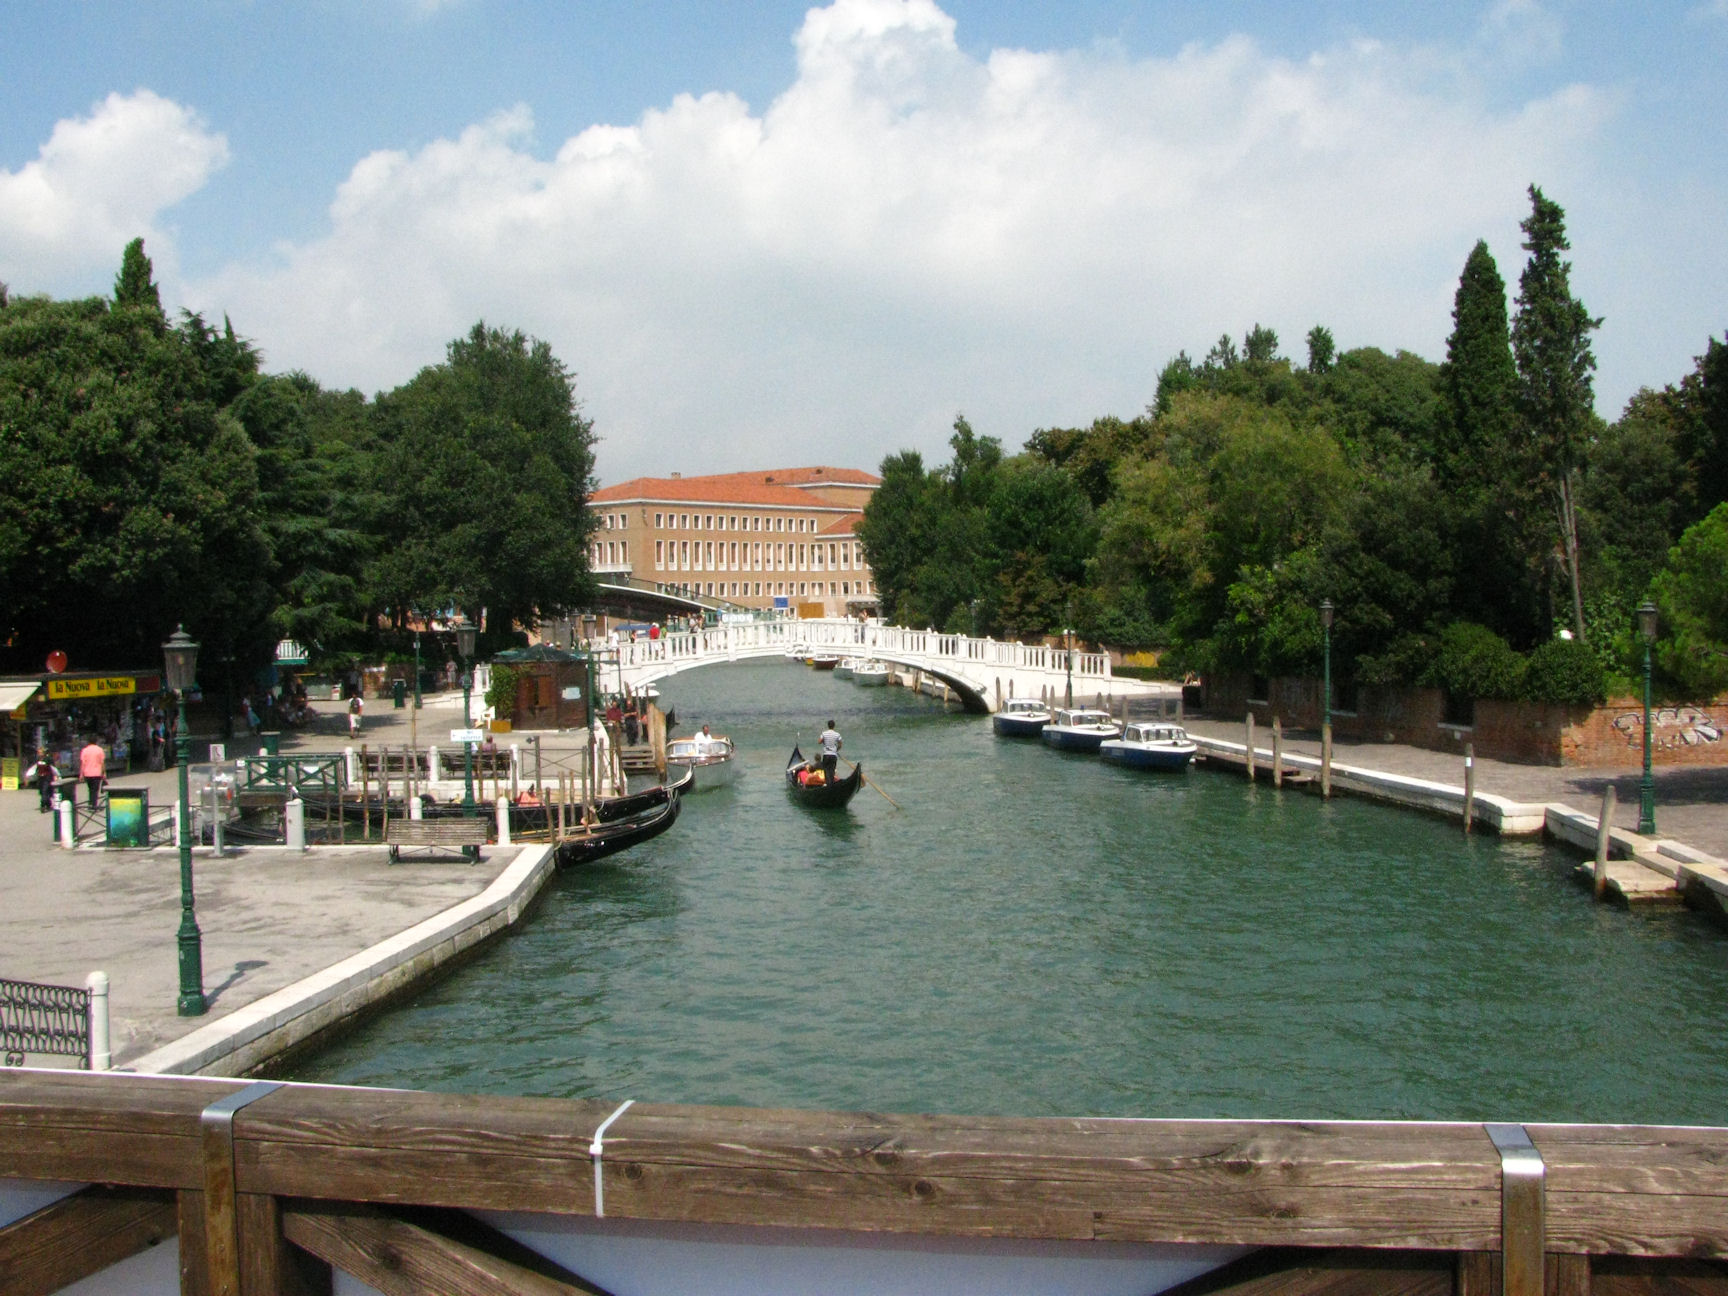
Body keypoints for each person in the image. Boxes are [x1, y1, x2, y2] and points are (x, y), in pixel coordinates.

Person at [78, 736, 107, 808]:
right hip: (97, 773)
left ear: (88, 742)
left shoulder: (85, 750)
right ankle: (94, 804)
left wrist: (81, 774)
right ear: (96, 741)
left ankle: (91, 803)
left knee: (90, 789)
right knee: (95, 790)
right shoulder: (99, 750)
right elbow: (102, 763)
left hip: (87, 773)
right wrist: (104, 773)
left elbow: (83, 763)